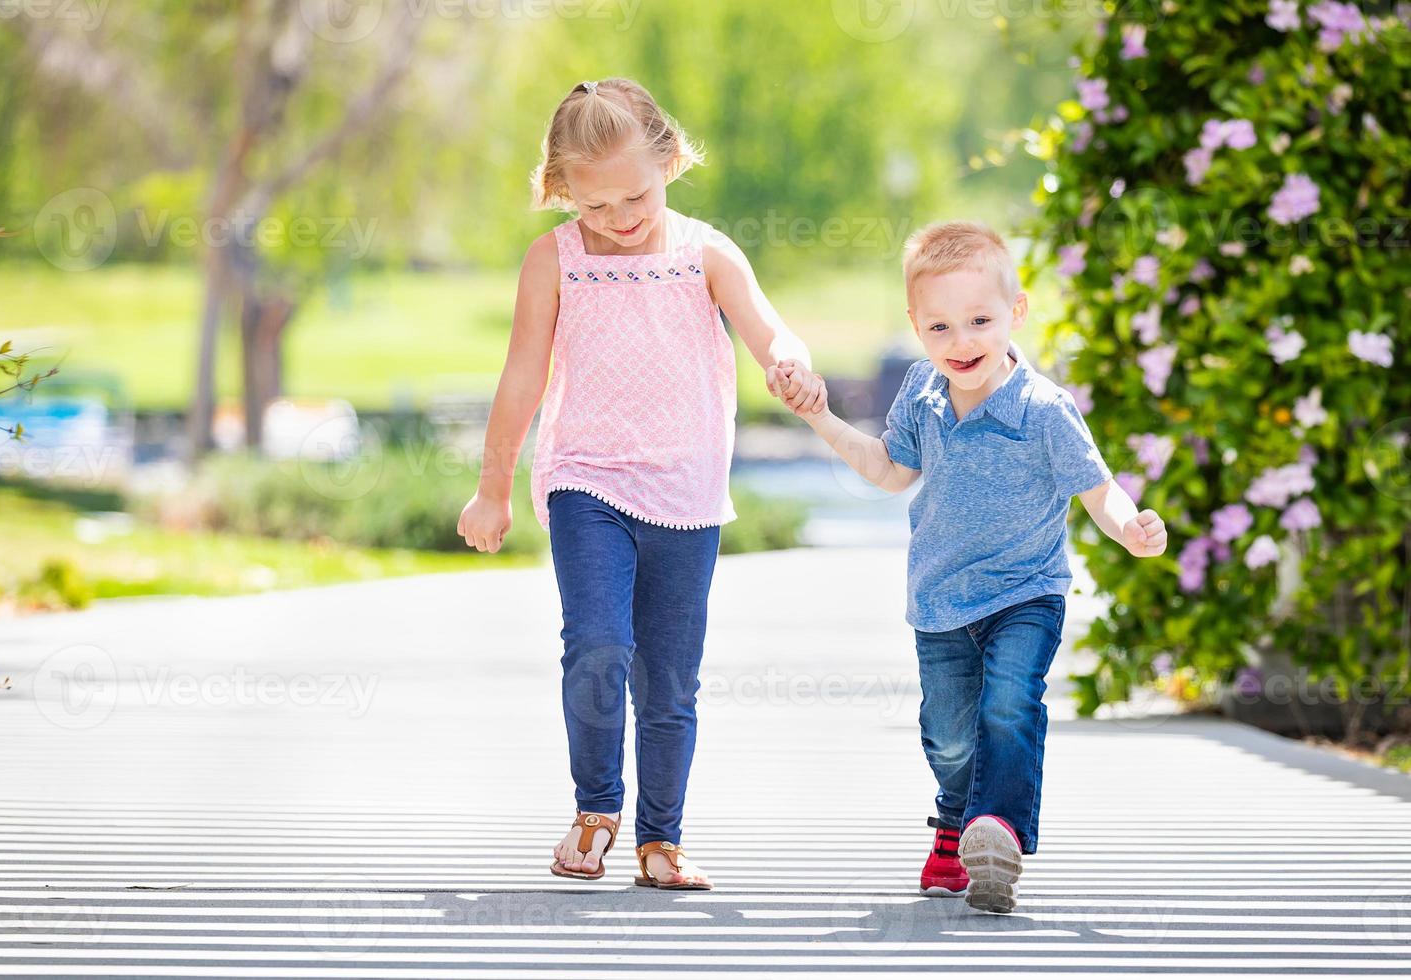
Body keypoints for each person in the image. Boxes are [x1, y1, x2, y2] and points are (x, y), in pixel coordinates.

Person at [457, 77, 823, 890]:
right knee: (597, 644)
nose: (620, 218)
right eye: (596, 206)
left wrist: (788, 364)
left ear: (671, 160)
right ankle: (596, 809)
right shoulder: (552, 262)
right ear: (561, 192)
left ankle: (662, 839)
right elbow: (521, 380)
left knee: (669, 674)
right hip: (585, 480)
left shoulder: (705, 251)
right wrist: (492, 488)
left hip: (688, 493)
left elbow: (769, 327)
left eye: (637, 195)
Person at [775, 220, 1167, 913]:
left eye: (980, 321)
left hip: (1027, 592)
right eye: (940, 327)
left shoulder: (1044, 410)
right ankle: (956, 823)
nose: (962, 343)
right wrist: (824, 419)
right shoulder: (923, 397)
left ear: (1015, 313)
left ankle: (1001, 831)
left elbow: (1098, 487)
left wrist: (1129, 527)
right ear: (915, 326)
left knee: (1010, 703)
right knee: (950, 735)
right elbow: (891, 472)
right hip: (940, 602)